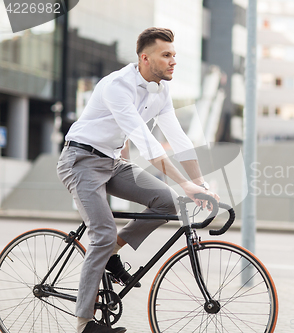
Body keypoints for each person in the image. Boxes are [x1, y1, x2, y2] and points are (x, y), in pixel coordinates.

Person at [57, 27, 219, 333]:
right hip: (80, 161)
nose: (173, 61)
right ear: (145, 58)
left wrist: (200, 183)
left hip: (111, 162)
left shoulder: (162, 90)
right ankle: (84, 323)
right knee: (102, 234)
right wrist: (185, 184)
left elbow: (179, 138)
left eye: (174, 55)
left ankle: (110, 254)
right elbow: (146, 142)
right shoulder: (118, 86)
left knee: (167, 202)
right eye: (166, 55)